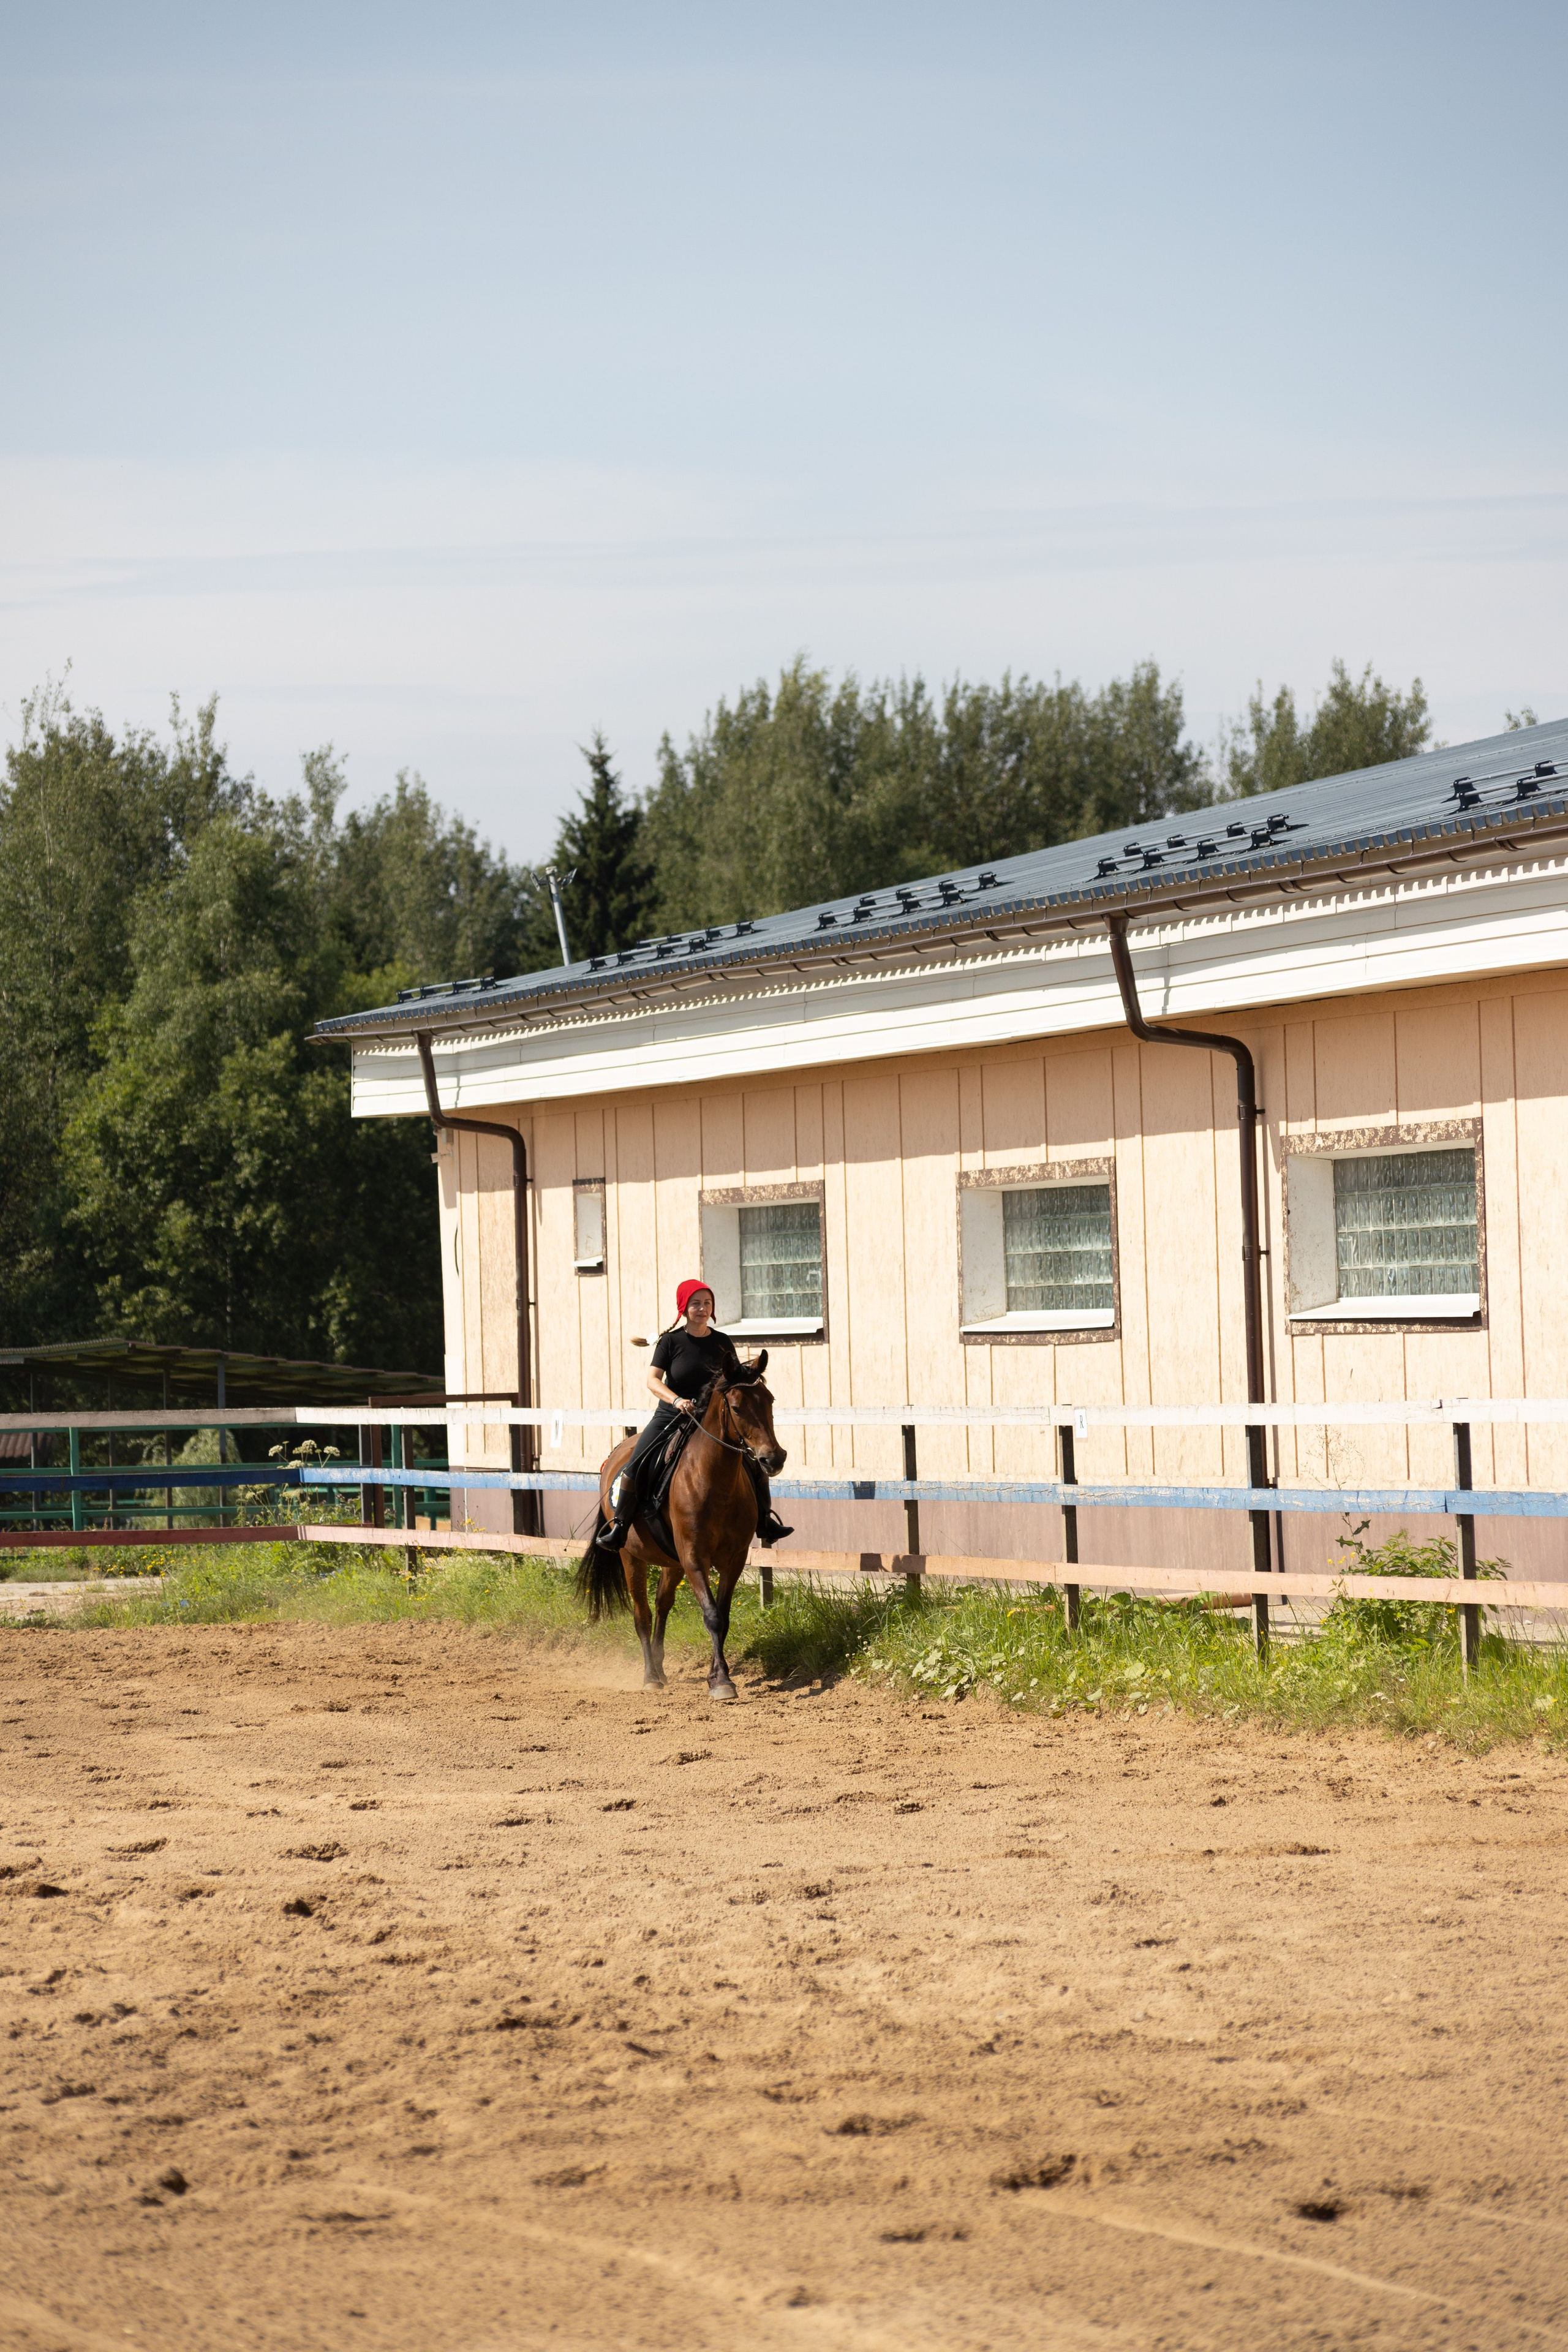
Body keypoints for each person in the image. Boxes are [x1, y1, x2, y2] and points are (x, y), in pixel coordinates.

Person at [600, 1278, 792, 1550]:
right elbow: (652, 1381)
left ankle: (764, 1520)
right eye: (696, 1304)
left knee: (753, 1464)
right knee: (637, 1464)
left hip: (712, 1419)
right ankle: (619, 1526)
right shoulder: (670, 1342)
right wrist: (676, 1399)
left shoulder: (722, 1341)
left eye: (707, 1303)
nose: (702, 1309)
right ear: (684, 1308)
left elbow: (734, 1383)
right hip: (672, 1416)